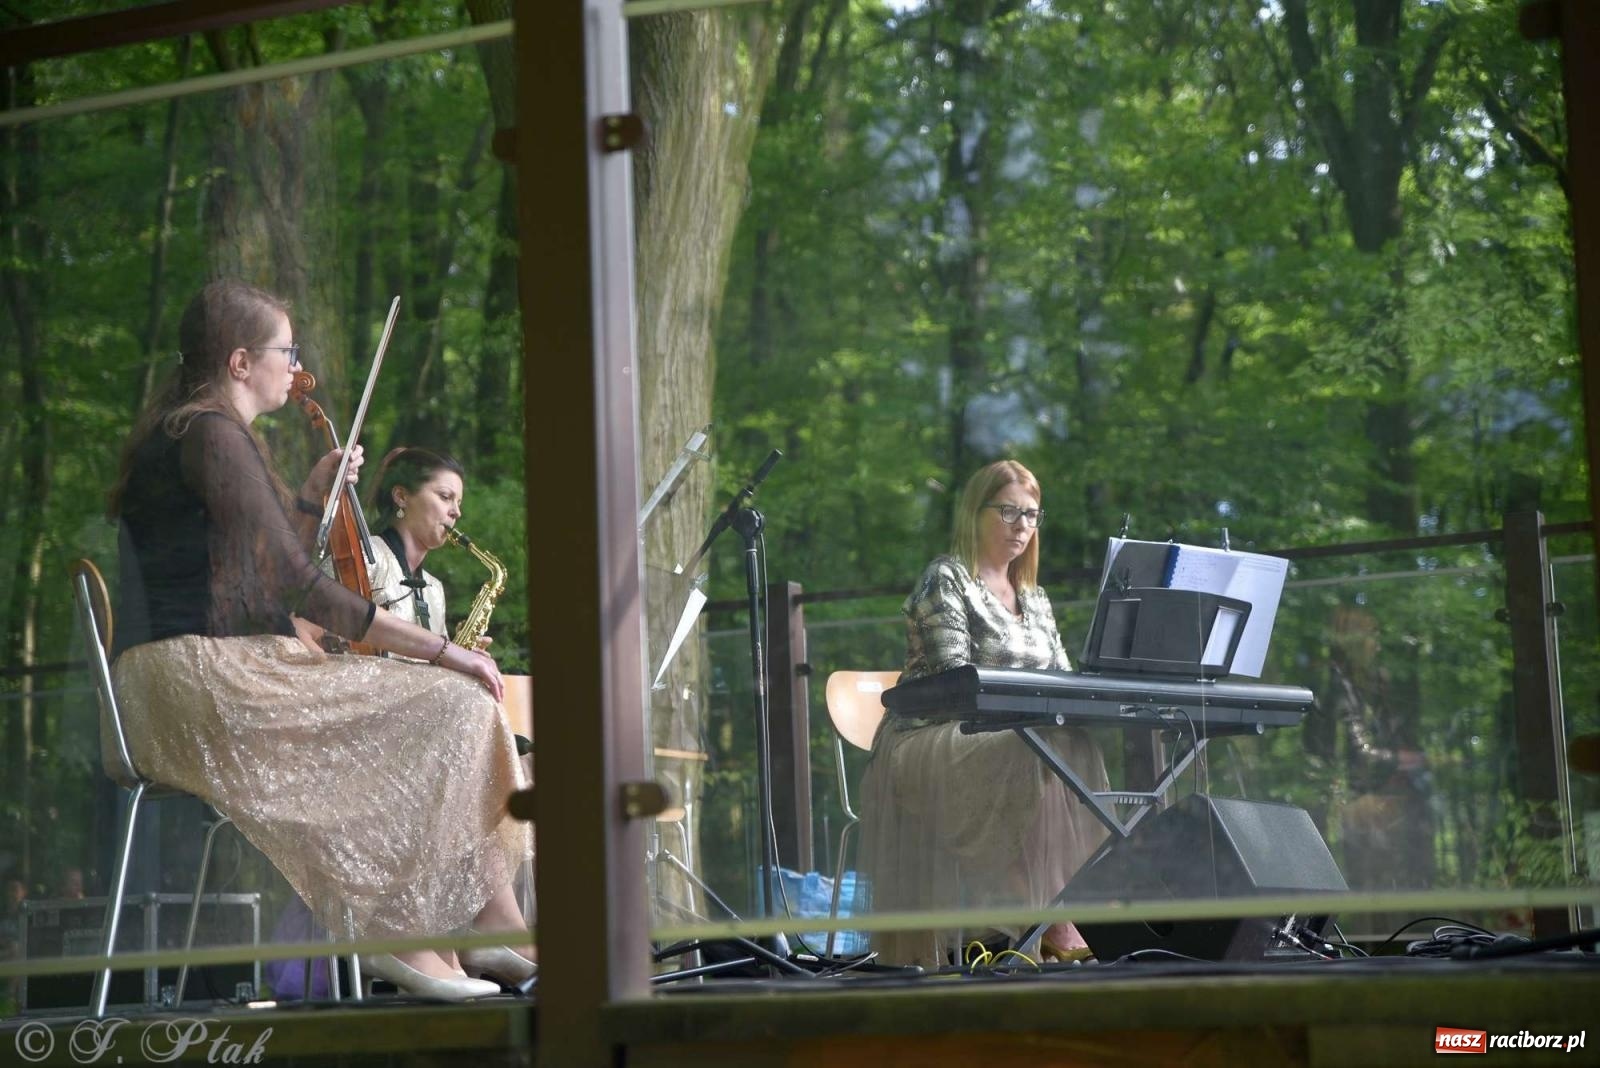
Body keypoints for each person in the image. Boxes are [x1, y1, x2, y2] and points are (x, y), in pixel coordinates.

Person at [107, 279, 534, 1000]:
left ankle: (489, 923)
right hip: (199, 679)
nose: (294, 363)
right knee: (447, 703)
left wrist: (307, 499)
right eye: (285, 350)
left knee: (456, 705)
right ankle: (402, 932)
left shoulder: (196, 433)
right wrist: (447, 649)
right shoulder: (212, 436)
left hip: (190, 669)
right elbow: (300, 590)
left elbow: (256, 576)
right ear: (242, 362)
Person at [857, 460, 1111, 968]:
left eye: (1032, 515)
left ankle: (1058, 913)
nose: (1022, 526)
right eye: (1009, 511)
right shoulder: (945, 577)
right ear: (976, 512)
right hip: (932, 736)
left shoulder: (1035, 598)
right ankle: (1052, 921)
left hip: (1012, 737)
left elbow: (1060, 677)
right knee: (1031, 747)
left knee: (1072, 743)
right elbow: (954, 680)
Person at [365, 447, 471, 653]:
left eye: (458, 502)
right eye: (445, 496)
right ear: (401, 496)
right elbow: (309, 632)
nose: (456, 512)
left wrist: (463, 655)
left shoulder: (434, 588)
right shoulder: (365, 556)